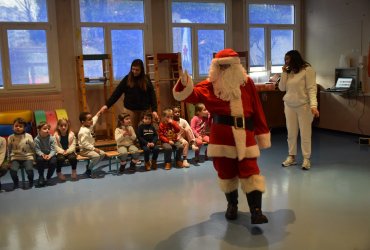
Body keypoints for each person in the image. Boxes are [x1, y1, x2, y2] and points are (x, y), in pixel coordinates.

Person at [173, 48, 271, 224]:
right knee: (226, 172)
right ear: (216, 67)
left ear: (236, 66)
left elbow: (258, 108)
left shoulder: (246, 82)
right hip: (222, 138)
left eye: (229, 65)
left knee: (251, 171)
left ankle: (256, 211)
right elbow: (189, 95)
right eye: (222, 66)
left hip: (245, 135)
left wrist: (262, 132)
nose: (225, 69)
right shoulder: (210, 85)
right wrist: (184, 82)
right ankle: (232, 205)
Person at [278, 50, 319, 170]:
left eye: (288, 59)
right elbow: (281, 88)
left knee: (305, 133)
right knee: (291, 133)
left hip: (304, 106)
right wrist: (284, 73)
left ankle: (306, 159)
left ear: (295, 59)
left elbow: (312, 89)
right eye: (285, 60)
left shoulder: (307, 70)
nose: (286, 62)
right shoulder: (288, 72)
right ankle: (291, 157)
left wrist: (314, 106)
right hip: (289, 105)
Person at [98, 59, 159, 130]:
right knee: (131, 132)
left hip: (144, 110)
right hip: (130, 110)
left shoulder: (146, 79)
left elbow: (152, 95)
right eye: (133, 69)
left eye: (137, 70)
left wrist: (154, 110)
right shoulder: (127, 79)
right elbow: (117, 93)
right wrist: (107, 105)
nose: (134, 71)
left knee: (145, 131)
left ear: (141, 70)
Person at [8, 118, 35, 190]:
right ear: (13, 127)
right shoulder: (10, 137)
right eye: (16, 126)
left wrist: (34, 158)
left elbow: (33, 147)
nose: (18, 128)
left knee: (29, 170)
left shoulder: (28, 136)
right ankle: (16, 183)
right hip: (15, 157)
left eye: (20, 126)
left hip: (27, 157)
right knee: (13, 171)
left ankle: (31, 181)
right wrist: (8, 160)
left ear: (24, 128)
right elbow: (9, 149)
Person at [78, 111, 106, 178]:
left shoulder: (89, 125)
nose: (91, 121)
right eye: (89, 119)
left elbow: (94, 119)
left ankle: (89, 166)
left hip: (90, 149)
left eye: (91, 118)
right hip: (84, 150)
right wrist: (94, 149)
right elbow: (84, 143)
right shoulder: (83, 131)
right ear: (83, 122)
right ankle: (89, 170)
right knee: (96, 156)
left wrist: (98, 113)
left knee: (103, 154)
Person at [34, 121, 57, 187]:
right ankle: (41, 177)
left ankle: (48, 177)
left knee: (53, 162)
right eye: (44, 128)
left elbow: (53, 149)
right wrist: (42, 155)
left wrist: (49, 155)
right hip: (41, 155)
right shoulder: (36, 139)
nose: (47, 130)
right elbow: (37, 150)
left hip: (50, 154)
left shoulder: (51, 138)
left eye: (48, 129)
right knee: (39, 160)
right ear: (39, 130)